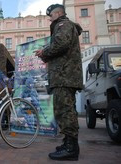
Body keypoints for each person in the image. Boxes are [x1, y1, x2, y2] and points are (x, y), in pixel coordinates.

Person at [34, 4, 83, 161]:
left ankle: (71, 148)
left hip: (64, 76)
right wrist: (46, 54)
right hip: (64, 76)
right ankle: (68, 143)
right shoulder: (64, 26)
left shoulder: (63, 24)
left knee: (65, 111)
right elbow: (61, 47)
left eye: (51, 15)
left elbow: (61, 44)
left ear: (58, 13)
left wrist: (44, 51)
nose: (49, 18)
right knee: (65, 110)